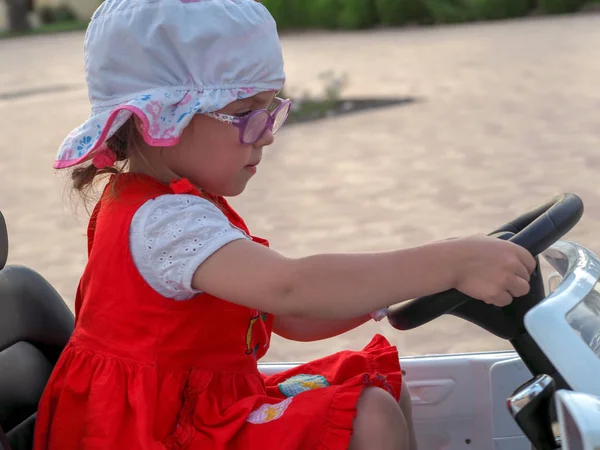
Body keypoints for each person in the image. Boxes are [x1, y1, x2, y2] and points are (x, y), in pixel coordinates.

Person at [33, 1, 537, 449]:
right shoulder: (165, 221)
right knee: (367, 416)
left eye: (271, 111)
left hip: (196, 408)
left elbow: (288, 318)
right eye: (245, 113)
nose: (266, 136)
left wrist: (404, 286)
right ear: (157, 120)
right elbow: (291, 289)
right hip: (153, 431)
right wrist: (449, 262)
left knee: (378, 385)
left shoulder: (182, 205)